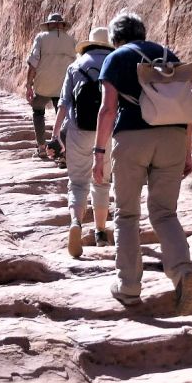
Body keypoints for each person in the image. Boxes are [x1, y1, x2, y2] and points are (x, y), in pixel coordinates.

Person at [93, 9, 192, 314]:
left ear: (115, 39)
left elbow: (108, 109)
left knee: (127, 214)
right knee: (165, 213)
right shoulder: (169, 55)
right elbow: (186, 107)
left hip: (132, 138)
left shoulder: (116, 58)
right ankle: (183, 272)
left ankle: (128, 286)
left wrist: (99, 153)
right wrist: (187, 151)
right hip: (173, 138)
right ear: (143, 33)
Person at [52, 25, 115, 257]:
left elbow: (64, 102)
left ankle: (75, 224)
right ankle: (100, 233)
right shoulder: (114, 63)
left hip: (78, 131)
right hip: (107, 132)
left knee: (78, 183)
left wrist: (55, 134)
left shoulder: (75, 66)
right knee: (102, 182)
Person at [25, 11, 76, 160]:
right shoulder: (71, 40)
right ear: (62, 25)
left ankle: (41, 148)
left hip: (43, 84)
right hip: (63, 86)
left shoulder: (41, 38)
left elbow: (33, 63)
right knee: (63, 118)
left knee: (38, 112)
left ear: (49, 25)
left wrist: (28, 85)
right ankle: (63, 153)